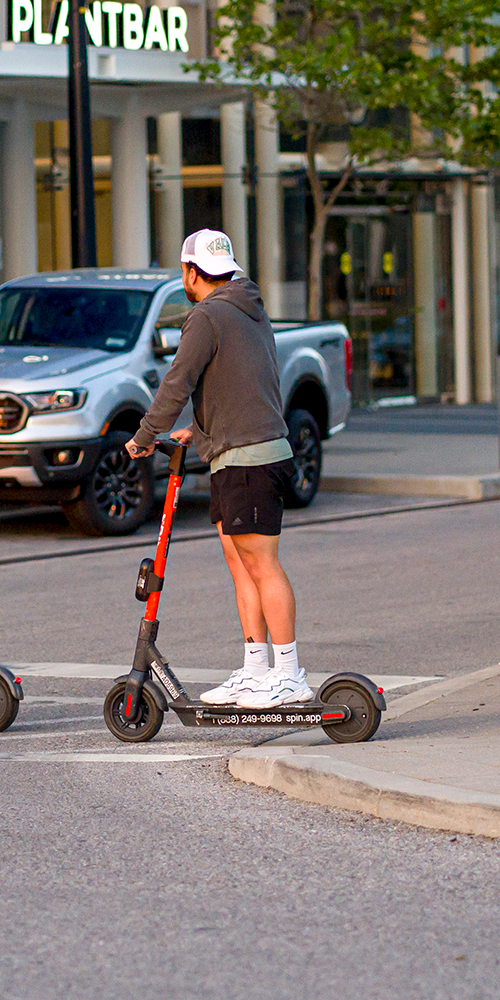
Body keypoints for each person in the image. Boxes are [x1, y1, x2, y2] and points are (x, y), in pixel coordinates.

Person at [126, 229, 308, 708]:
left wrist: (146, 436)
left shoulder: (206, 315)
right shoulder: (247, 307)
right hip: (238, 451)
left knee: (261, 563)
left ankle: (289, 674)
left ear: (190, 272)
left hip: (250, 456)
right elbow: (242, 380)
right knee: (240, 561)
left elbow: (177, 382)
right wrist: (199, 431)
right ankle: (255, 670)